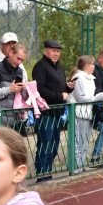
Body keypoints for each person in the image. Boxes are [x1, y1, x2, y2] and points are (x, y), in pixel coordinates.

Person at [31, 39, 73, 181]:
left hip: (57, 113)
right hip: (45, 113)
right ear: (45, 51)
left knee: (54, 147)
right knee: (44, 146)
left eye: (58, 51)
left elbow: (61, 90)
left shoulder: (59, 67)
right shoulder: (40, 67)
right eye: (53, 51)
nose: (56, 54)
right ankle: (42, 176)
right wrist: (59, 96)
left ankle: (47, 173)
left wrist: (68, 88)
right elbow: (40, 90)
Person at [68, 55, 103, 173]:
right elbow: (81, 97)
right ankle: (76, 168)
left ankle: (81, 166)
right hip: (79, 113)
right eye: (92, 64)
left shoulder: (90, 78)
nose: (94, 66)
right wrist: (97, 97)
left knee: (85, 142)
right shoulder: (79, 77)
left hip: (88, 112)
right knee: (78, 142)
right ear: (86, 66)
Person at [0, 42, 28, 134]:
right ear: (11, 53)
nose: (19, 62)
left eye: (22, 60)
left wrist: (24, 89)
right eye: (18, 58)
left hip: (15, 121)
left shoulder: (21, 72)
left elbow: (25, 98)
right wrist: (9, 90)